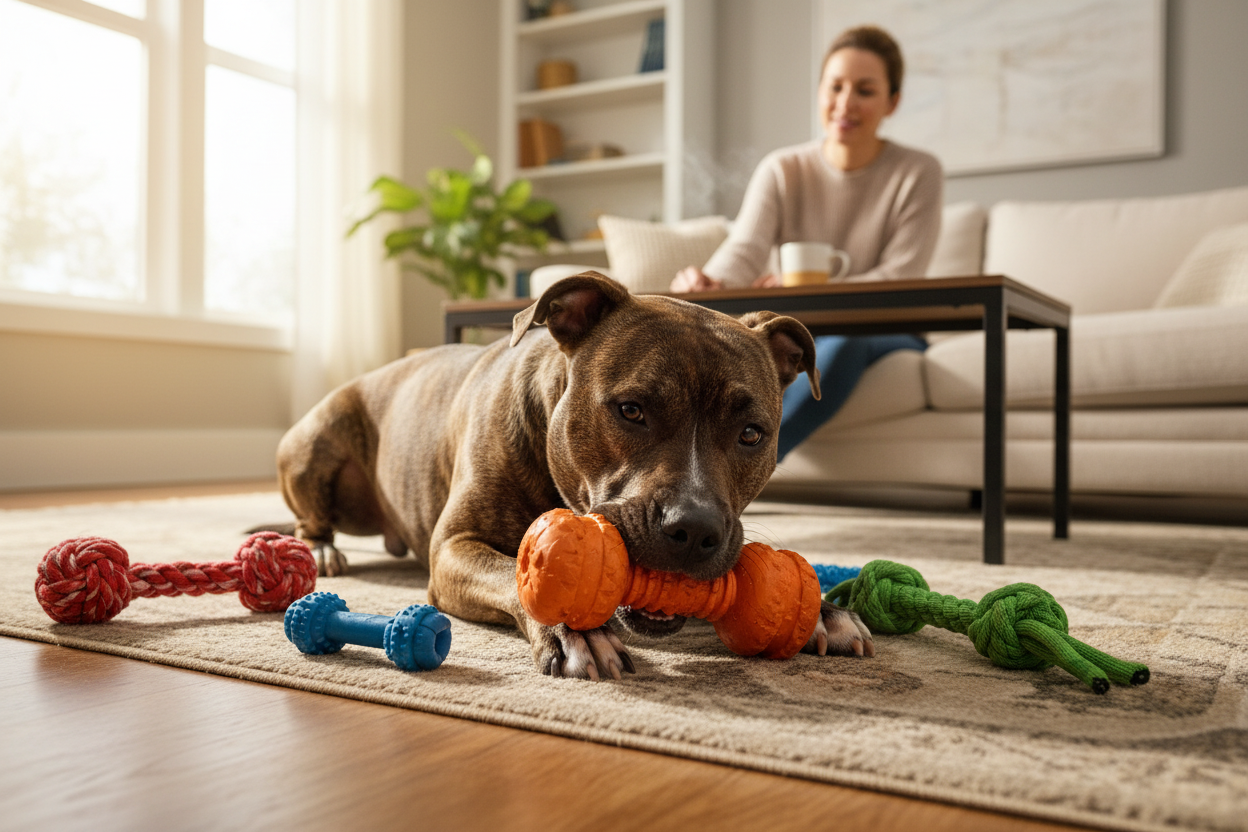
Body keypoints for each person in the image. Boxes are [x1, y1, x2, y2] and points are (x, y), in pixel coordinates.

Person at [672, 26, 943, 461]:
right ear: (819, 91)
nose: (845, 103)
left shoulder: (918, 172)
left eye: (865, 90)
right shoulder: (783, 169)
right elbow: (745, 248)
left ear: (892, 101)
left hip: (887, 327)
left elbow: (902, 275)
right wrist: (709, 282)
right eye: (835, 86)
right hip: (803, 322)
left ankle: (742, 474)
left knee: (840, 343)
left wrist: (802, 295)